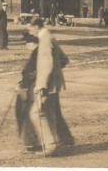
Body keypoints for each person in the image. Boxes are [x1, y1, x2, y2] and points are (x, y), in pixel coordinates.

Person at [24, 19, 73, 156]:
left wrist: (41, 84)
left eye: (30, 29)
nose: (30, 32)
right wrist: (56, 74)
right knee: (49, 113)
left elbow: (46, 63)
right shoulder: (50, 36)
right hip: (55, 83)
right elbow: (64, 59)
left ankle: (50, 146)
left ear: (36, 26)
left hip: (47, 84)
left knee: (36, 113)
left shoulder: (44, 39)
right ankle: (54, 143)